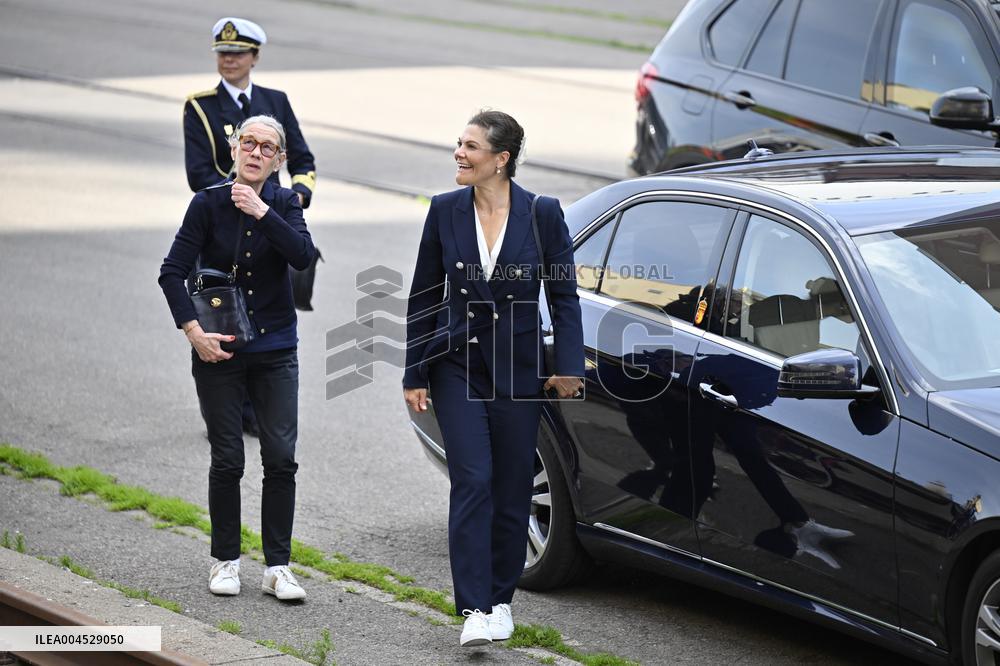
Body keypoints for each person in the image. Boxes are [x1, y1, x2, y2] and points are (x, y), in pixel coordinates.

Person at [402, 110, 584, 647]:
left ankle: (501, 600)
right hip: (456, 365)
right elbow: (422, 295)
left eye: (471, 147)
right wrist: (414, 371)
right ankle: (474, 608)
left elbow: (564, 295)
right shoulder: (444, 211)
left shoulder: (542, 215)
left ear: (501, 159)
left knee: (510, 489)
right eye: (458, 144)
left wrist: (568, 367)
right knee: (473, 481)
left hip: (518, 371)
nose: (460, 154)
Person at [159, 115, 315, 601]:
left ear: (279, 160)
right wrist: (194, 332)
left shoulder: (285, 202)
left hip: (274, 350)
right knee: (228, 459)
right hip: (218, 348)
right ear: (233, 148)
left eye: (267, 148)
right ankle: (225, 561)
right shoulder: (206, 203)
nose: (255, 152)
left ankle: (278, 568)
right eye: (248, 142)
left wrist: (263, 213)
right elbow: (171, 272)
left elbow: (302, 257)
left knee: (281, 458)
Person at [183, 16, 318, 437]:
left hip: (271, 218)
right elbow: (199, 172)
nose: (229, 60)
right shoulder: (201, 107)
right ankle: (229, 407)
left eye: (238, 53)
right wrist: (232, 199)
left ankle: (259, 402)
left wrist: (296, 197)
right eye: (223, 53)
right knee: (222, 310)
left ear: (254, 57)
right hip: (223, 218)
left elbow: (303, 160)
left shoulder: (275, 100)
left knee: (267, 306)